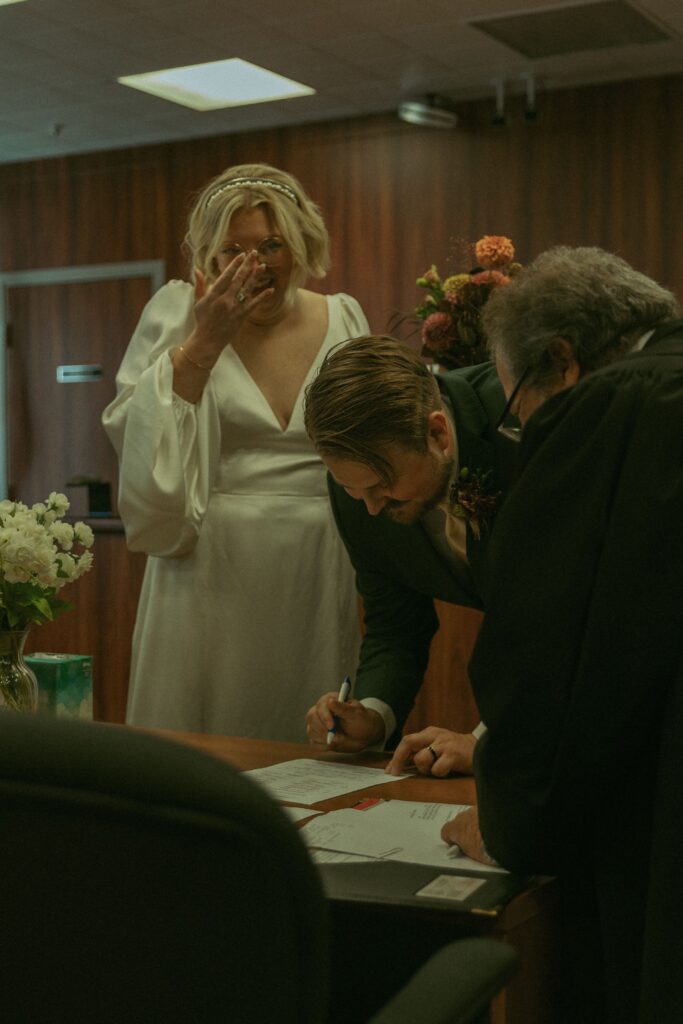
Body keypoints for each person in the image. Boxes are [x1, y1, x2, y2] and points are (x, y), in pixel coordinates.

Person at [389, 246, 683, 1023]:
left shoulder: (615, 408)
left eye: (515, 398)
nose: (515, 422)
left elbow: (553, 645)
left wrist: (513, 820)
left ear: (562, 360)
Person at [102, 163, 368, 740]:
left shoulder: (344, 316)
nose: (256, 264)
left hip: (318, 558)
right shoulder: (178, 313)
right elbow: (132, 424)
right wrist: (203, 343)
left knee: (304, 721)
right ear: (208, 257)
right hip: (206, 555)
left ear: (300, 242)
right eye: (232, 251)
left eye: (271, 244)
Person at [303, 334, 519, 762]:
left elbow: (564, 617)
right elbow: (394, 624)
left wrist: (484, 740)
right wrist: (372, 714)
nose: (370, 508)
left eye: (382, 486)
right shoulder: (358, 490)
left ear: (438, 433)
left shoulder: (519, 418)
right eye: (352, 489)